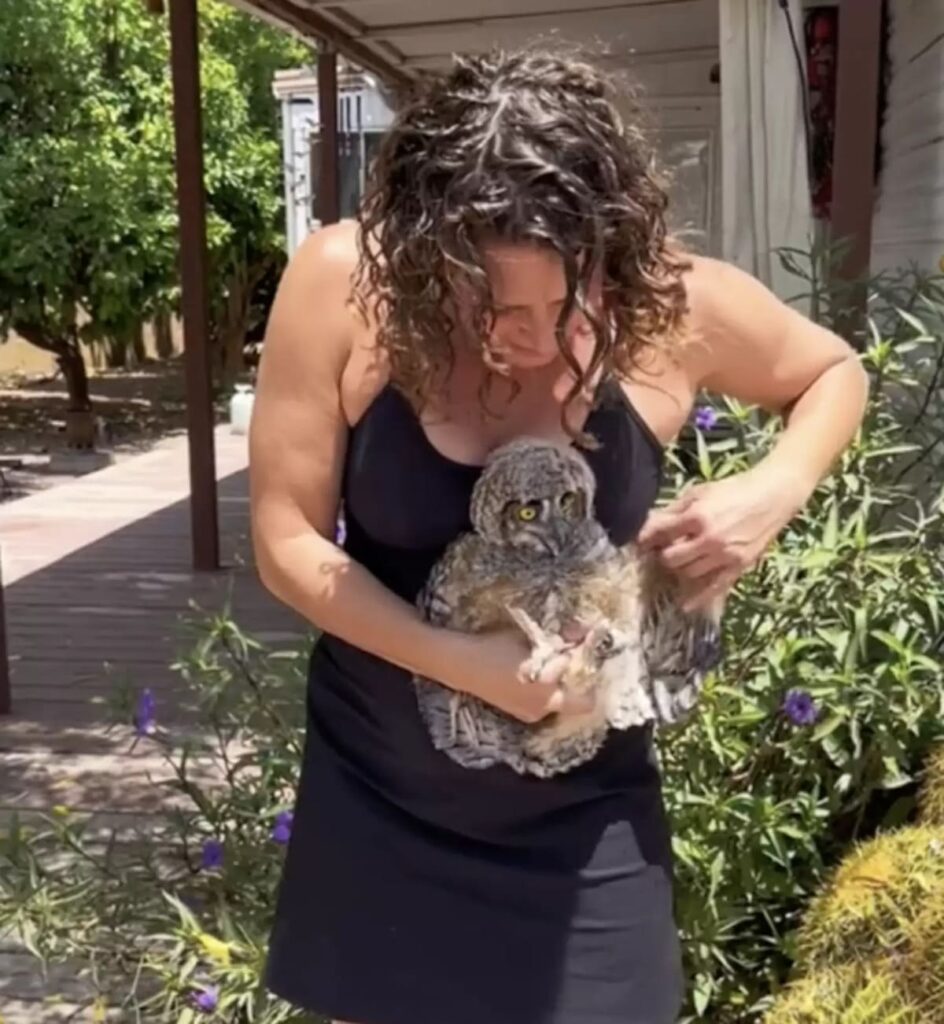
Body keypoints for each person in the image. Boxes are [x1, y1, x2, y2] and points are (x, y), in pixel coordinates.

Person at [250, 47, 868, 1024]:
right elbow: (285, 539)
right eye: (491, 305)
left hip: (586, 820)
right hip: (380, 799)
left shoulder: (671, 303)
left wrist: (770, 490)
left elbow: (832, 373)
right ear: (422, 257)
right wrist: (462, 661)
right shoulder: (339, 284)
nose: (530, 335)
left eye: (562, 298)